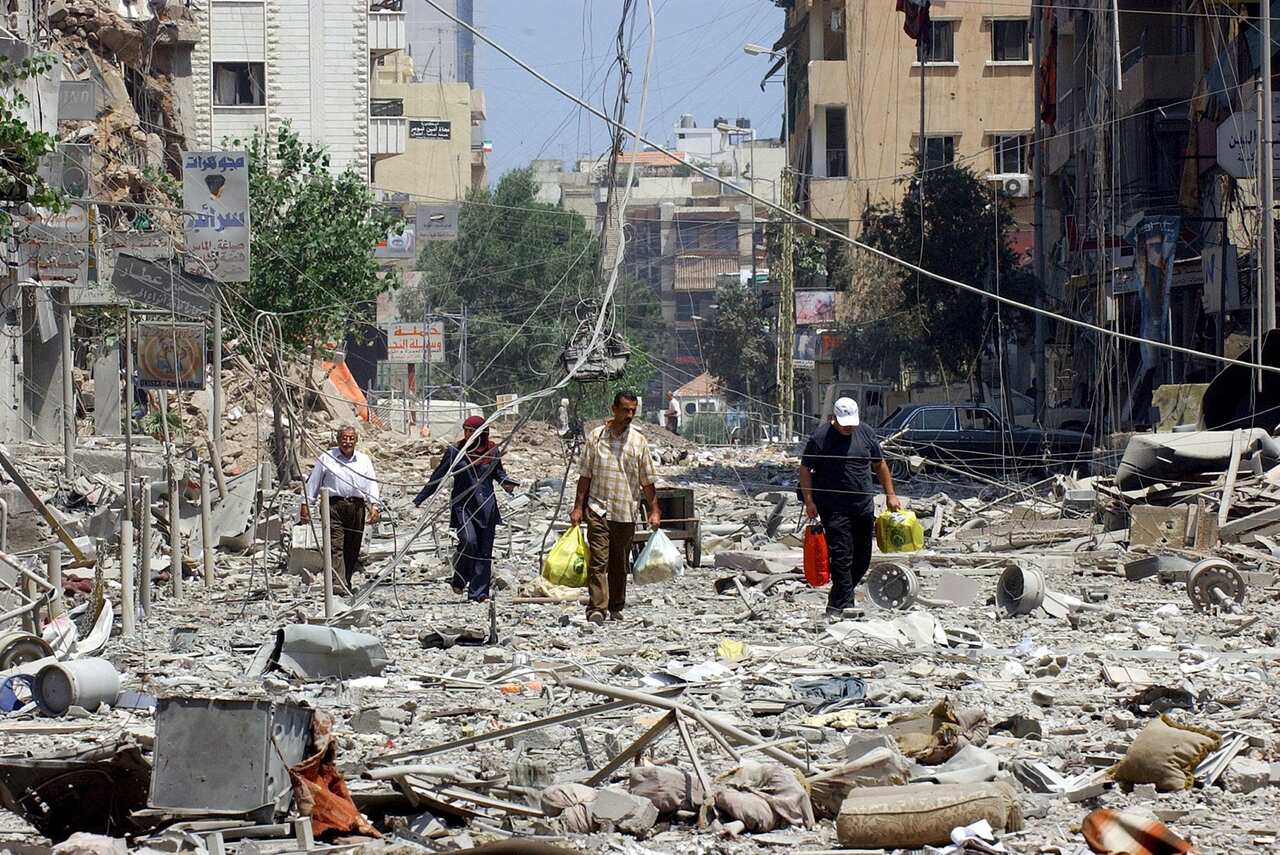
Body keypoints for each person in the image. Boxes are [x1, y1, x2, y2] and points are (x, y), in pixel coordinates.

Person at [798, 397, 901, 618]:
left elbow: (879, 464)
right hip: (833, 508)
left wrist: (890, 494)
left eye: (851, 423)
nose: (848, 428)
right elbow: (805, 469)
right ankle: (846, 605)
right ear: (833, 418)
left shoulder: (865, 433)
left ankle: (835, 604)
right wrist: (809, 501)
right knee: (842, 555)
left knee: (862, 558)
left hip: (863, 506)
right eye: (844, 423)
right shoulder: (819, 438)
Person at [570, 392, 661, 624]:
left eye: (633, 410)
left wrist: (654, 510)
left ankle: (616, 604)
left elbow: (647, 480)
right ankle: (596, 608)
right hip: (598, 508)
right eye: (625, 410)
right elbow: (585, 476)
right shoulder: (596, 437)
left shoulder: (638, 442)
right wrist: (578, 507)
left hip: (625, 510)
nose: (629, 415)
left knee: (619, 562)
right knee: (598, 560)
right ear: (614, 409)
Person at [414, 415, 518, 602]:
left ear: (482, 433)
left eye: (472, 431)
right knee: (469, 542)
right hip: (464, 508)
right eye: (466, 430)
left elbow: (498, 473)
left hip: (486, 507)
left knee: (484, 551)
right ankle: (460, 579)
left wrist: (507, 484)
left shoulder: (492, 451)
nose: (468, 434)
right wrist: (420, 499)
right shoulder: (455, 451)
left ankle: (479, 593)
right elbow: (438, 476)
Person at [301, 425, 381, 592]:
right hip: (333, 506)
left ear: (356, 440)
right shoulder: (326, 458)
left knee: (352, 546)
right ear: (338, 440)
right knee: (335, 545)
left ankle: (346, 581)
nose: (347, 442)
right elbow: (313, 483)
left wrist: (375, 505)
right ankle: (338, 584)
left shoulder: (363, 460)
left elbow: (371, 483)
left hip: (356, 507)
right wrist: (306, 504)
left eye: (351, 438)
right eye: (344, 438)